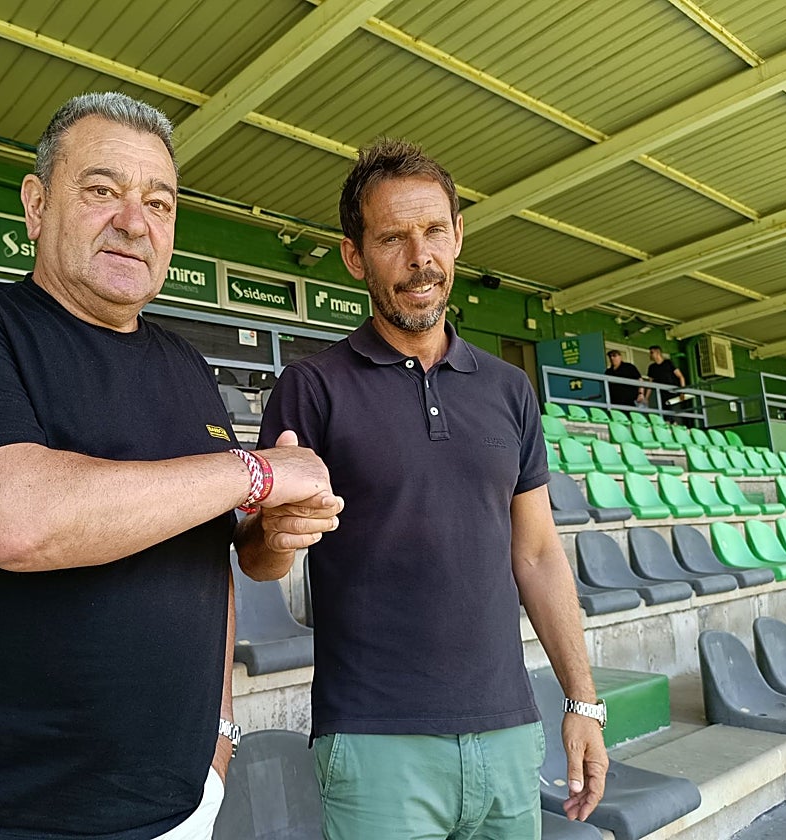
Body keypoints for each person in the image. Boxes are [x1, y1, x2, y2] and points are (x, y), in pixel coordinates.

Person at [0, 92, 342, 840]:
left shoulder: (186, 366)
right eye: (103, 190)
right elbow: (17, 522)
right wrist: (260, 473)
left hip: (172, 805)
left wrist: (273, 541)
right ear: (37, 204)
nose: (134, 222)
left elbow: (222, 559)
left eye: (159, 203)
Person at [244, 138, 607, 839]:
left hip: (509, 732)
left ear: (458, 235)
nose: (420, 257)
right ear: (355, 256)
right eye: (392, 238)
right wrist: (275, 535)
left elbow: (537, 555)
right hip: (376, 743)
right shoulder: (310, 388)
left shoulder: (510, 389)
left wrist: (582, 700)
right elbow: (260, 560)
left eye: (434, 231)